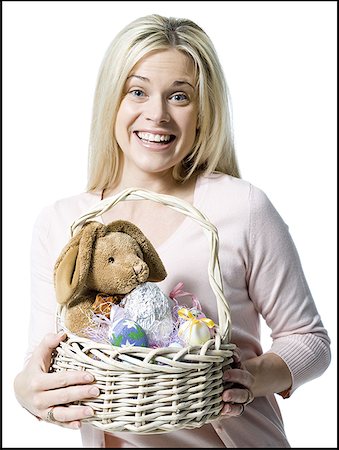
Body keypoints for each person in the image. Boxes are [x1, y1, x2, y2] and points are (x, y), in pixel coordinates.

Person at [14, 14, 331, 448]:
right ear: (113, 101)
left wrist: (251, 377)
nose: (157, 114)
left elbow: (310, 341)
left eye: (179, 97)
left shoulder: (242, 207)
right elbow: (42, 358)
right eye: (137, 92)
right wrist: (26, 392)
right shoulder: (62, 222)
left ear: (202, 112)